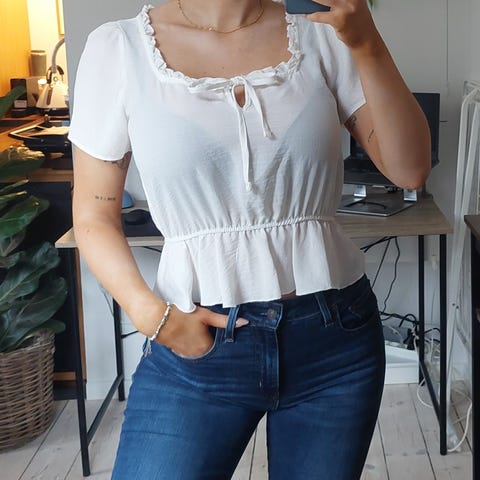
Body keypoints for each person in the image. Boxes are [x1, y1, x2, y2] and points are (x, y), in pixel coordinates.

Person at [69, 0, 430, 478]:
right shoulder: (119, 48)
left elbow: (410, 169)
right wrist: (151, 316)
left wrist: (368, 43)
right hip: (196, 343)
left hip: (334, 341)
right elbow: (93, 214)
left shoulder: (323, 36)